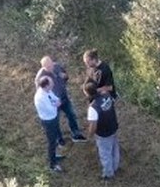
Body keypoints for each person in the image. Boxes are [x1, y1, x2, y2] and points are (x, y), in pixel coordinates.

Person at [84, 49, 120, 179]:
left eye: (88, 62)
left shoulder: (105, 69)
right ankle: (115, 165)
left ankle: (108, 174)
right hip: (113, 125)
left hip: (104, 131)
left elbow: (109, 88)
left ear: (94, 59)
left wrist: (94, 92)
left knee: (105, 152)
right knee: (114, 146)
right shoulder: (92, 69)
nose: (87, 65)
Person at [39, 55, 85, 144]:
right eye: (48, 67)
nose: (51, 67)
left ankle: (76, 134)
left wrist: (65, 76)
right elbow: (40, 93)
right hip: (53, 102)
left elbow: (66, 76)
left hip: (64, 97)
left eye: (51, 64)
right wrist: (51, 102)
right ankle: (59, 139)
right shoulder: (41, 76)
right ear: (43, 67)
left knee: (71, 114)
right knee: (55, 120)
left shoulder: (57, 66)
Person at [33, 74, 64, 173]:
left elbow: (54, 97)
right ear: (46, 86)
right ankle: (52, 165)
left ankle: (54, 156)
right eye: (51, 83)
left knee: (54, 139)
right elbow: (50, 109)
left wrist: (57, 101)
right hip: (48, 121)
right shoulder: (40, 97)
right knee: (51, 142)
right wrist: (57, 104)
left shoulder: (47, 91)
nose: (53, 84)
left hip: (53, 118)